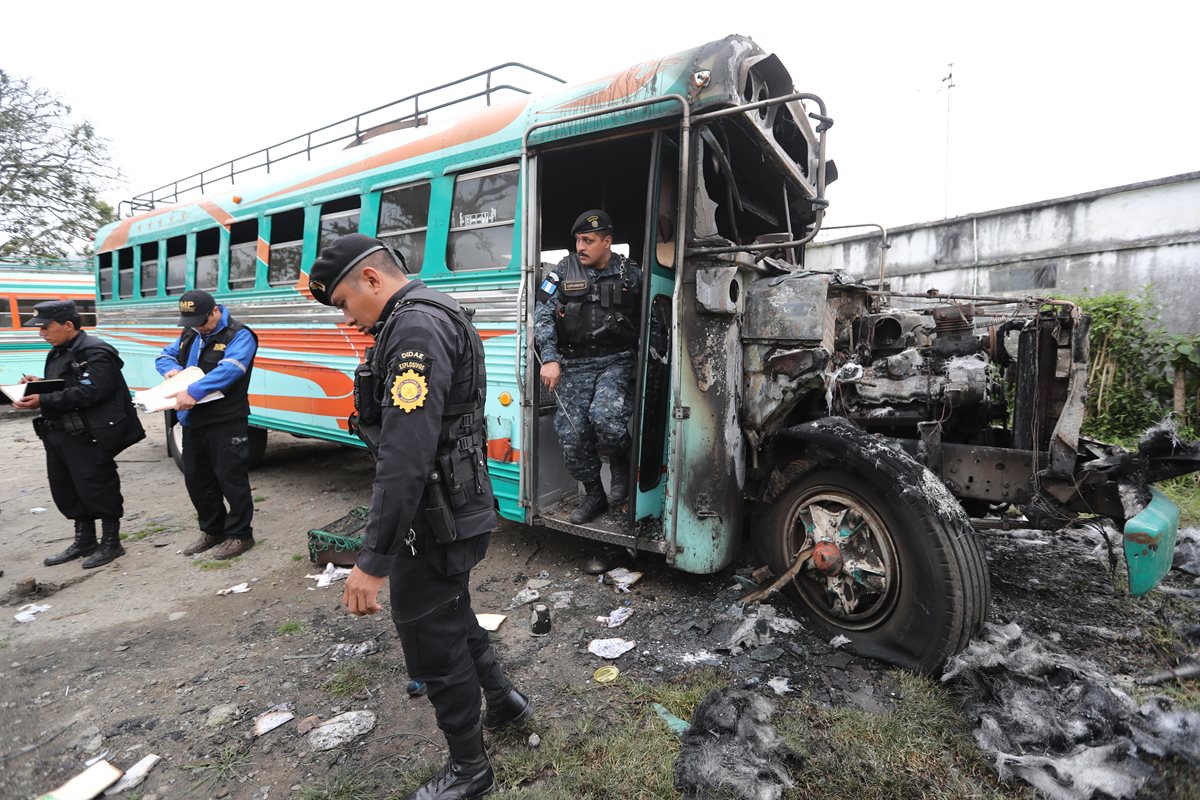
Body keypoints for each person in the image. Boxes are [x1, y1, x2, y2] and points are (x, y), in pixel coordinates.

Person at [308, 233, 531, 800]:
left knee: (429, 635)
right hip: (451, 506)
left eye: (343, 302)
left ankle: (470, 770)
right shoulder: (428, 313)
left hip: (434, 515)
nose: (347, 318)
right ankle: (505, 701)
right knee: (449, 611)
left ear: (372, 279)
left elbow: (406, 456)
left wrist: (372, 560)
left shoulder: (413, 328)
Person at [14, 300, 145, 568]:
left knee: (98, 486)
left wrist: (43, 400)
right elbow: (67, 384)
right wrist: (40, 384)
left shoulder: (95, 351)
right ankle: (85, 540)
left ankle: (111, 542)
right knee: (66, 487)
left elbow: (94, 390)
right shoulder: (58, 351)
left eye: (45, 327)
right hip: (59, 430)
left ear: (68, 325)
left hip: (89, 433)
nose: (41, 333)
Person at [534, 209, 642, 523]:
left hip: (616, 360)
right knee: (572, 435)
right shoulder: (561, 271)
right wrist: (550, 358)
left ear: (607, 242)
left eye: (588, 240)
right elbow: (542, 313)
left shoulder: (629, 273)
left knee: (606, 419)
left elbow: (652, 311)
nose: (580, 247)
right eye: (578, 240)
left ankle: (621, 460)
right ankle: (595, 495)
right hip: (574, 363)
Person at [155, 290, 259, 560]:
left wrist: (194, 390)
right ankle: (213, 530)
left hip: (225, 420)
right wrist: (171, 370)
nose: (198, 327)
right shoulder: (190, 332)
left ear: (215, 311)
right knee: (197, 479)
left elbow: (231, 369)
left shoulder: (239, 335)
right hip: (193, 420)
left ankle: (240, 534)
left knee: (231, 478)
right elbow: (164, 355)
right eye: (191, 322)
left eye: (201, 321)